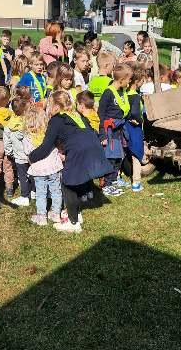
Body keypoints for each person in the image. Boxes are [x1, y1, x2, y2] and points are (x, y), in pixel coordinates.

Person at [28, 91, 111, 232]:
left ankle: (73, 223)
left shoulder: (56, 120)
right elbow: (88, 131)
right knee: (77, 181)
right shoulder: (76, 114)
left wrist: (31, 157)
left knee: (68, 184)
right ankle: (77, 213)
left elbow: (46, 146)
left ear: (55, 105)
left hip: (78, 150)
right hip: (94, 146)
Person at [23, 104, 63, 226]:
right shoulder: (49, 134)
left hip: (39, 170)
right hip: (54, 167)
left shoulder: (28, 138)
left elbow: (27, 153)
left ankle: (42, 216)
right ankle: (56, 213)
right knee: (56, 191)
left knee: (41, 193)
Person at [98, 64, 132, 196]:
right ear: (122, 80)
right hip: (109, 131)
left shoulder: (122, 91)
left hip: (119, 130)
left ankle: (113, 180)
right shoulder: (108, 93)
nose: (130, 82)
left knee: (118, 157)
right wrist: (102, 135)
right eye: (128, 79)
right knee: (110, 157)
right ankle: (106, 184)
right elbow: (100, 114)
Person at [4, 96, 33, 207]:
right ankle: (34, 191)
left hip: (19, 156)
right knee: (33, 173)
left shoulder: (9, 124)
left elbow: (7, 140)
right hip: (31, 154)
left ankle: (25, 196)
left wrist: (9, 152)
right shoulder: (28, 121)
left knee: (22, 176)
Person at [124, 67, 146, 192]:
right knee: (136, 155)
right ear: (137, 81)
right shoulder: (136, 97)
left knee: (126, 152)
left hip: (125, 126)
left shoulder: (124, 94)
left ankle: (120, 175)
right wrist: (140, 120)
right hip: (135, 128)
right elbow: (135, 113)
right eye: (142, 80)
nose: (143, 83)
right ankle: (136, 182)